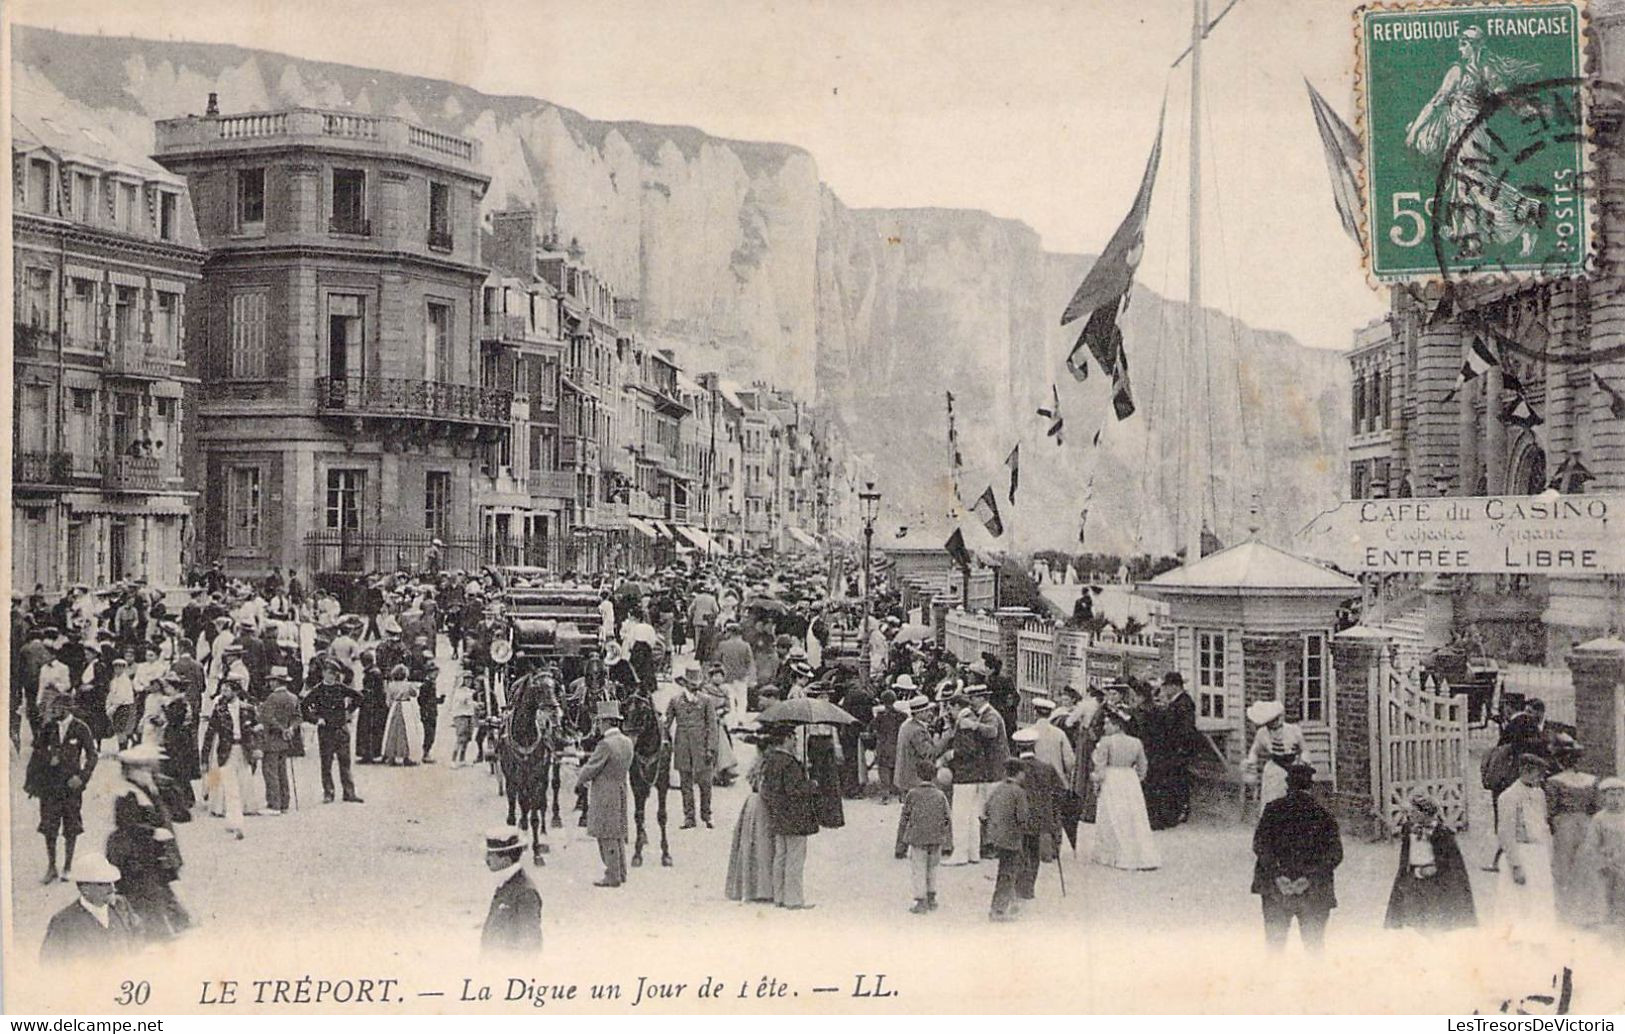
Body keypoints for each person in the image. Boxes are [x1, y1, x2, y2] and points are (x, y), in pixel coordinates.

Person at [1251, 762, 1343, 953]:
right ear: (1310, 786)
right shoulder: (1324, 815)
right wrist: (1307, 878)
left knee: (1275, 949)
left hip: (1276, 889)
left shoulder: (1272, 811)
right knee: (1314, 947)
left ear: (1287, 785)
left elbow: (1260, 846)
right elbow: (1334, 854)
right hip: (1314, 890)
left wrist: (1278, 876)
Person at [104, 743, 190, 940]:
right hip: (135, 855)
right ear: (132, 770)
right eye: (143, 768)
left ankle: (168, 927)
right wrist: (153, 832)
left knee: (158, 892)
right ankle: (155, 935)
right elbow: (126, 824)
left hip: (151, 853)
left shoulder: (147, 788)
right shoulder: (127, 793)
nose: (148, 772)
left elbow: (179, 812)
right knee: (145, 896)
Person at [25, 693, 99, 883]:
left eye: (57, 708)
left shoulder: (80, 728)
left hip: (70, 787)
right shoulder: (48, 728)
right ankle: (51, 867)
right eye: (52, 708)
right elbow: (37, 750)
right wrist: (48, 759)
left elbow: (92, 756)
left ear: (67, 708)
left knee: (71, 826)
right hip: (50, 787)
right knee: (49, 826)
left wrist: (82, 777)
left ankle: (67, 866)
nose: (53, 711)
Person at [1383, 792, 1476, 932]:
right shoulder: (1409, 828)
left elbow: (1450, 862)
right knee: (1412, 918)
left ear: (1425, 813)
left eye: (1414, 812)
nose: (1410, 815)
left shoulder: (1443, 833)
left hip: (1434, 882)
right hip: (1412, 879)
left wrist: (1435, 868)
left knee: (1433, 920)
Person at [940, 685, 1008, 866]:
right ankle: (973, 853)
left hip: (970, 774)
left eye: (950, 708)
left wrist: (953, 754)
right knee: (973, 815)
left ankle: (961, 853)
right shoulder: (975, 717)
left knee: (962, 815)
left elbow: (970, 747)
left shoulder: (971, 720)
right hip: (980, 773)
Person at [758, 721, 820, 909]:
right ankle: (794, 899)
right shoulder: (790, 764)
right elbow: (794, 789)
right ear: (785, 739)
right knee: (795, 858)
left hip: (778, 814)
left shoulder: (770, 760)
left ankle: (779, 896)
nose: (795, 741)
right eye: (793, 737)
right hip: (795, 816)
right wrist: (811, 785)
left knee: (780, 857)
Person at [1496, 752, 1557, 939]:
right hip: (1521, 853)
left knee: (1540, 900)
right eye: (1538, 774)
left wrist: (1549, 855)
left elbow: (1544, 826)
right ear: (1525, 771)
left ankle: (1539, 939)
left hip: (1538, 853)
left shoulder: (1539, 794)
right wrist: (1516, 865)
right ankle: (1516, 941)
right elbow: (1506, 832)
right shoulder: (1509, 796)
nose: (1540, 779)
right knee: (1518, 901)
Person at [1090, 710, 1160, 870]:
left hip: (1112, 778)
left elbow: (1100, 767)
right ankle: (1141, 855)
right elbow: (1143, 765)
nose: (1105, 726)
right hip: (1129, 779)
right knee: (1133, 816)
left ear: (1117, 726)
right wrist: (1137, 779)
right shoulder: (1136, 742)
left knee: (1113, 815)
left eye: (1108, 723)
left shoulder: (1106, 742)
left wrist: (1096, 781)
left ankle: (1112, 854)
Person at [39, 853, 137, 964]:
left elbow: (137, 940)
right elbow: (50, 964)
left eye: (112, 883)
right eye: (102, 884)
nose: (112, 888)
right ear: (85, 889)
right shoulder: (63, 921)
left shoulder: (121, 907)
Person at [1544, 735, 1599, 925]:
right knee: (1585, 866)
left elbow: (1550, 811)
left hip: (1564, 825)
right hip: (1586, 823)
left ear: (1559, 760)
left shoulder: (1553, 782)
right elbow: (1594, 807)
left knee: (1563, 868)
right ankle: (1586, 910)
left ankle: (1566, 912)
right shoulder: (1591, 781)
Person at [578, 701, 634, 887]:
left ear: (606, 722)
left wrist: (579, 778)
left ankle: (612, 875)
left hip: (604, 793)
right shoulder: (626, 742)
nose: (598, 726)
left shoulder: (605, 744)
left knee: (605, 833)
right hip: (620, 789)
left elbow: (591, 768)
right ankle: (621, 871)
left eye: (600, 722)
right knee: (617, 832)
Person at [199, 675, 257, 839]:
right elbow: (209, 735)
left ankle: (234, 818)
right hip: (226, 750)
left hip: (243, 751)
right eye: (222, 690)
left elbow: (256, 730)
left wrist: (256, 748)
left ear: (236, 691)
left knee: (243, 783)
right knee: (230, 787)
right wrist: (204, 759)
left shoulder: (248, 709)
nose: (223, 693)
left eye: (227, 690)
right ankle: (236, 823)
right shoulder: (219, 710)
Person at [302, 660, 364, 803]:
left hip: (341, 729)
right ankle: (328, 793)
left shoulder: (340, 688)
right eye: (329, 673)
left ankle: (349, 792)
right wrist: (316, 719)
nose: (332, 676)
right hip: (326, 731)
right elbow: (304, 706)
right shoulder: (318, 690)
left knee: (345, 762)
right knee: (326, 763)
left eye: (334, 674)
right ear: (323, 673)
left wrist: (349, 711)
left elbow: (359, 697)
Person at [665, 663, 718, 829]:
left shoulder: (706, 701)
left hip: (702, 746)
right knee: (685, 783)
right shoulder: (675, 701)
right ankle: (689, 817)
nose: (694, 687)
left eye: (697, 684)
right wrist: (664, 740)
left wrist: (711, 748)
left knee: (705, 783)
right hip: (682, 745)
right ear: (685, 684)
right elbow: (666, 723)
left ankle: (707, 814)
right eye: (691, 684)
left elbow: (712, 726)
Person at [725, 744, 779, 903]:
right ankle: (763, 888)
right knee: (763, 846)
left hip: (752, 804)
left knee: (751, 845)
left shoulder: (759, 763)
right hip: (762, 805)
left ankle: (751, 886)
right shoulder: (768, 765)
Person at [1575, 776, 1625, 938]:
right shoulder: (1599, 818)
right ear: (1604, 797)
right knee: (1608, 891)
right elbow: (1592, 844)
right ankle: (1610, 920)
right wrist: (1601, 860)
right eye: (1611, 795)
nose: (1615, 800)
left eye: (1618, 795)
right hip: (1608, 861)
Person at [1145, 672, 1198, 828]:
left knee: (1178, 779)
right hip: (1174, 748)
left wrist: (1178, 747)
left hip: (1178, 749)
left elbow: (1185, 730)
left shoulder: (1184, 703)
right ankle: (1175, 810)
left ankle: (1181, 809)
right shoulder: (1176, 701)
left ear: (1174, 686)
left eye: (1166, 687)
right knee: (1174, 779)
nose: (1164, 690)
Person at [899, 758, 951, 914]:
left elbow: (904, 817)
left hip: (918, 838)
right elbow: (947, 817)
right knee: (933, 867)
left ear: (918, 776)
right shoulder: (940, 795)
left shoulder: (912, 794)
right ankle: (932, 897)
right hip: (936, 837)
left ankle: (920, 900)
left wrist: (903, 838)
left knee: (919, 868)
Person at [481, 826, 542, 956]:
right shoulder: (506, 883)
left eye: (491, 855)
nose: (486, 859)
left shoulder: (525, 893)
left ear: (506, 860)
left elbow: (530, 945)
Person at [982, 759, 1030, 921]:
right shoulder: (1019, 792)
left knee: (1006, 869)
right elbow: (1022, 817)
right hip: (1011, 838)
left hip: (996, 835)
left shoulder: (998, 789)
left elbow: (986, 809)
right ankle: (998, 910)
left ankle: (1011, 902)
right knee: (1007, 873)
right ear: (1019, 773)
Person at [256, 668, 301, 814]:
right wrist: (290, 729)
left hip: (272, 739)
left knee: (270, 772)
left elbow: (267, 718)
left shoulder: (272, 698)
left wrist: (281, 728)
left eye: (271, 681)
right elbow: (298, 717)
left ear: (276, 682)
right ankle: (284, 803)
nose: (269, 684)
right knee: (282, 772)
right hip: (286, 740)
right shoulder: (293, 697)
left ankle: (274, 804)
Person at [1246, 700, 1305, 811]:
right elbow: (1254, 750)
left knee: (1294, 801)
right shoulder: (1262, 733)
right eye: (1270, 723)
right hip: (1275, 769)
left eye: (1276, 720)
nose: (1274, 724)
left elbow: (1304, 749)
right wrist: (1251, 762)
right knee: (1273, 799)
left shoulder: (1293, 730)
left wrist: (1304, 760)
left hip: (1294, 767)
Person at [870, 689, 906, 804]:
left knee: (884, 769)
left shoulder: (880, 716)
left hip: (883, 745)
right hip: (896, 745)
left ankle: (886, 795)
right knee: (898, 768)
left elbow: (871, 729)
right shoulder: (901, 716)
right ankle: (901, 794)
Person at [354, 650, 388, 764]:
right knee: (371, 731)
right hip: (375, 705)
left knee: (368, 730)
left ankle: (368, 754)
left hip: (371, 706)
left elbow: (370, 691)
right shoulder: (374, 672)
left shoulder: (372, 673)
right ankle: (371, 753)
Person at [449, 673, 478, 767]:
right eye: (467, 680)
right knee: (460, 738)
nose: (469, 682)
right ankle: (453, 760)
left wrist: (476, 704)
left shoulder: (469, 691)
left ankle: (462, 759)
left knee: (467, 738)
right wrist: (471, 697)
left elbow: (470, 703)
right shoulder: (459, 691)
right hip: (461, 715)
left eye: (470, 680)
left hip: (469, 715)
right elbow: (463, 700)